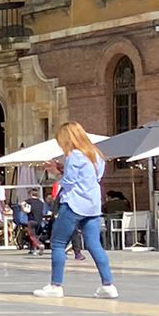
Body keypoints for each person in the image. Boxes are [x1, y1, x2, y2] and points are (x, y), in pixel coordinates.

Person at [34, 123, 118, 299]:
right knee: (94, 245)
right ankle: (108, 285)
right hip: (93, 205)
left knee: (58, 243)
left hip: (74, 203)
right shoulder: (97, 155)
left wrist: (57, 173)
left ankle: (55, 285)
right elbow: (92, 177)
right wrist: (62, 168)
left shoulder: (73, 155)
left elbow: (70, 182)